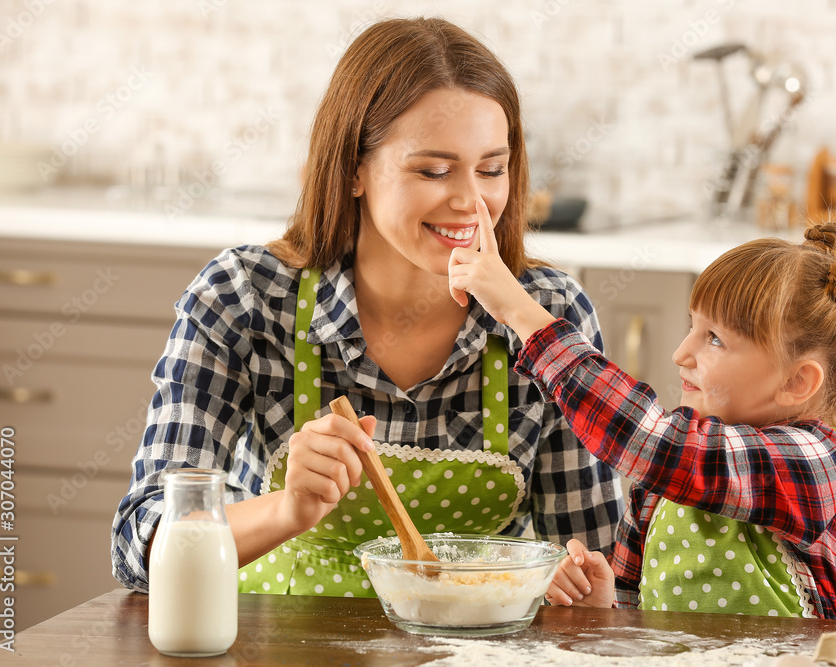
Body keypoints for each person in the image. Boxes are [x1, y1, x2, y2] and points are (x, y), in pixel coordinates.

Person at [111, 17, 623, 597]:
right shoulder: (243, 298)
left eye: (490, 169)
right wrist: (287, 510)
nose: (469, 200)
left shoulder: (549, 313)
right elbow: (142, 545)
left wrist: (590, 584)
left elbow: (601, 558)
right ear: (354, 168)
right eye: (433, 170)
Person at [450, 216, 836, 620]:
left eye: (715, 339)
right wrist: (602, 606)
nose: (680, 354)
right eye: (692, 327)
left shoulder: (818, 461)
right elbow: (637, 614)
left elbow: (661, 445)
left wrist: (523, 315)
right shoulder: (662, 482)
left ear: (797, 382)